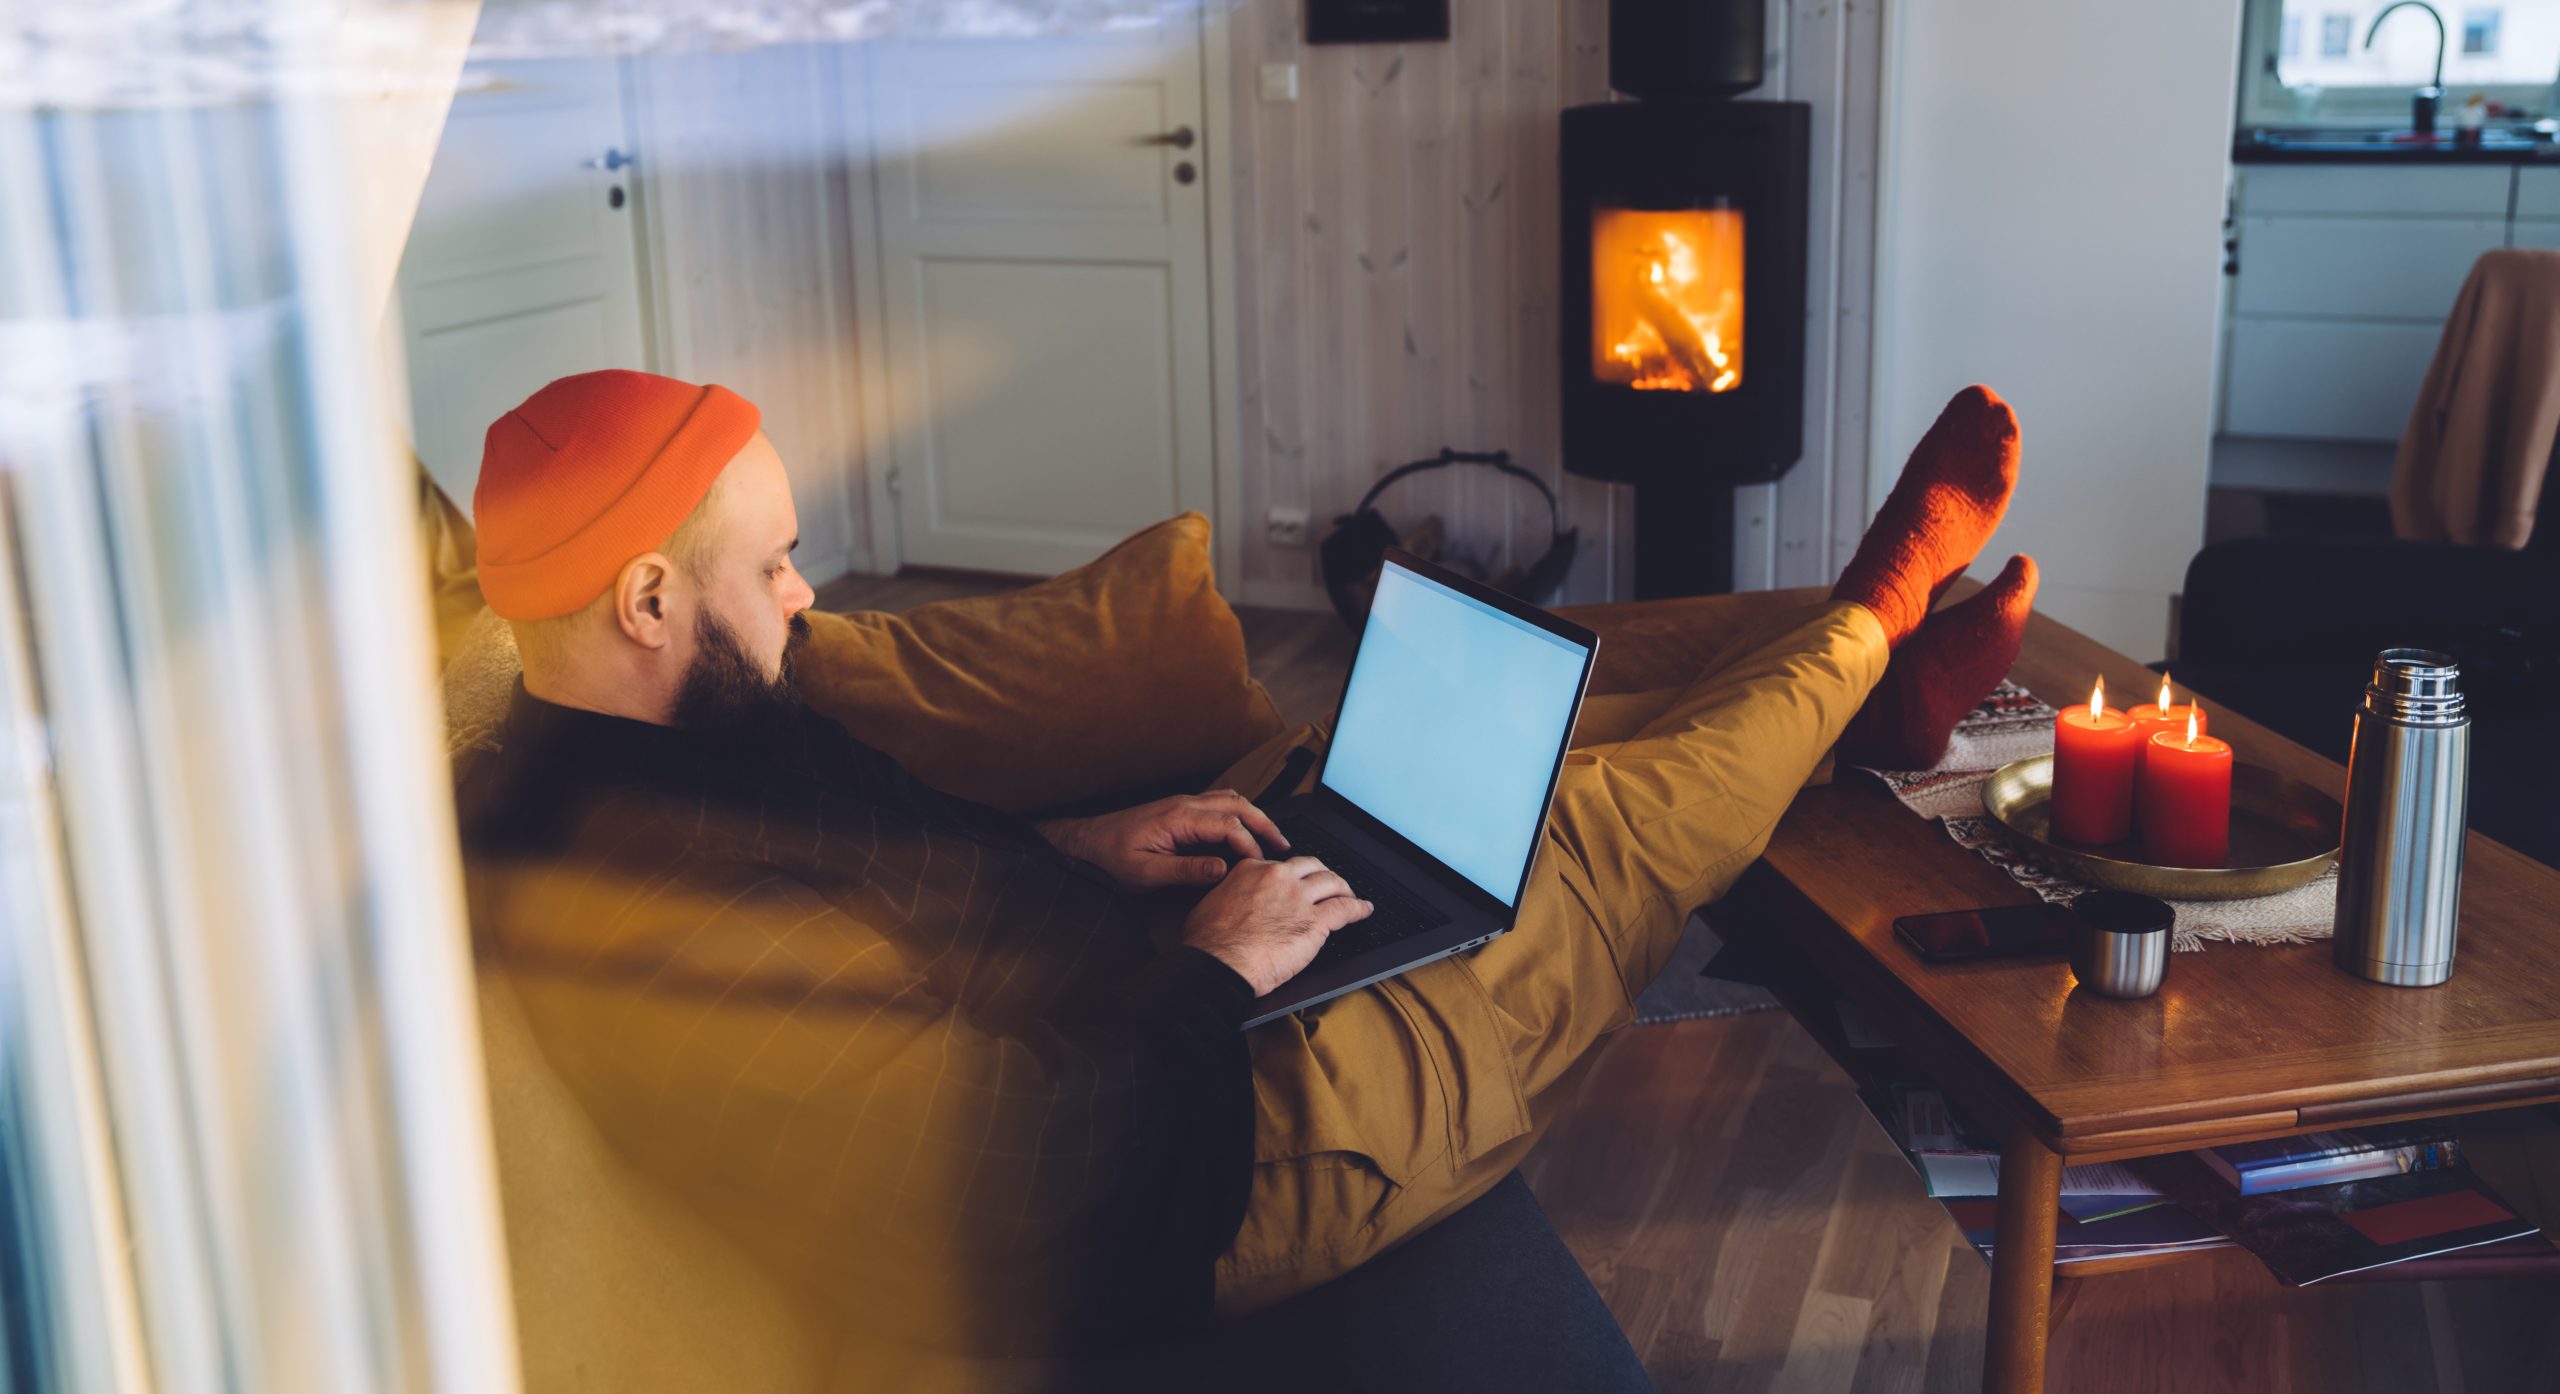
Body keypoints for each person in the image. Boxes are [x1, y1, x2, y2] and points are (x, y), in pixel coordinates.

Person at [456, 369, 2035, 1376]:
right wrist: (1218, 962)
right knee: (1592, 819)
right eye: (773, 563)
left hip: (1137, 996)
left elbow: (913, 885)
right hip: (1201, 1161)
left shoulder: (697, 728)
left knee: (1544, 696)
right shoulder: (629, 903)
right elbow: (1006, 1178)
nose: (808, 598)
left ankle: (1857, 672)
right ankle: (1873, 619)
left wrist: (1088, 841)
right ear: (649, 595)